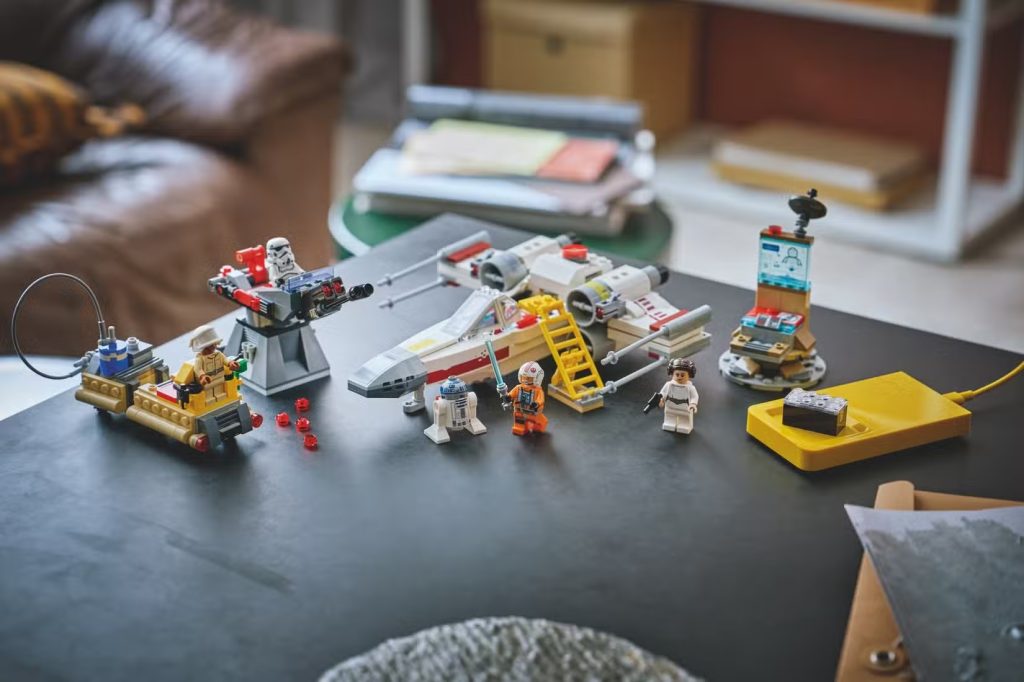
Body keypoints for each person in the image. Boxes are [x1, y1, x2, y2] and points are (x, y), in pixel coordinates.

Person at [186, 325, 239, 405]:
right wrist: (203, 376)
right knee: (209, 396)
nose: (214, 346)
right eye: (211, 345)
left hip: (220, 379)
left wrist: (231, 363)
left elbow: (225, 360)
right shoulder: (200, 359)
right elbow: (198, 369)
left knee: (220, 393)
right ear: (204, 346)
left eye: (215, 344)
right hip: (207, 383)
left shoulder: (218, 354)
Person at [659, 358, 698, 434]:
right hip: (670, 407)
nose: (679, 377)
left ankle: (684, 426)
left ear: (689, 375)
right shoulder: (668, 385)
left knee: (684, 421)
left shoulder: (690, 388)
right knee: (670, 418)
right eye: (677, 374)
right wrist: (661, 400)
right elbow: (663, 393)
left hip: (685, 409)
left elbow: (694, 397)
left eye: (683, 375)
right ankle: (669, 423)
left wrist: (693, 404)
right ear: (672, 374)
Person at [507, 361, 547, 436]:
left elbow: (540, 399)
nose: (525, 380)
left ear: (537, 378)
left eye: (529, 378)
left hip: (533, 412)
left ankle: (537, 428)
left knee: (540, 423)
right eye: (523, 377)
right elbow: (511, 394)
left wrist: (536, 404)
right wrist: (508, 397)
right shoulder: (518, 388)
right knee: (519, 422)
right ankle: (520, 428)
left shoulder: (538, 390)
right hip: (519, 411)